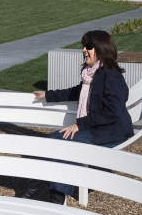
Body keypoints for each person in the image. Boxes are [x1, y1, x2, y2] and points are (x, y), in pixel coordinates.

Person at [18, 30, 133, 204]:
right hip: (95, 128)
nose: (84, 50)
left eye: (89, 46)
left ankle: (40, 194)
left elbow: (112, 112)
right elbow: (76, 92)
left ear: (101, 49)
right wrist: (48, 95)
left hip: (110, 133)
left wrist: (80, 125)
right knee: (59, 143)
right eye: (83, 46)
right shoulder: (92, 74)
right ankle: (51, 196)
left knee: (57, 140)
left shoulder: (111, 76)